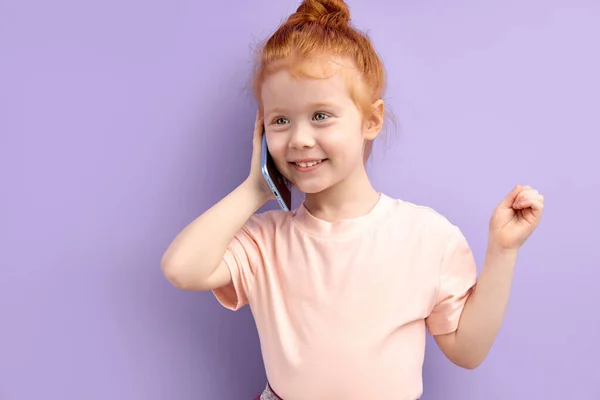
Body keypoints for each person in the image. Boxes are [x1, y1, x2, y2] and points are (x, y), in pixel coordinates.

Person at [161, 0, 545, 399]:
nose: (300, 139)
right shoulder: (264, 241)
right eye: (280, 120)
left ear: (371, 121)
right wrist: (256, 187)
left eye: (321, 115)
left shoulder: (426, 236)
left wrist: (503, 251)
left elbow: (467, 351)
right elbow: (181, 269)